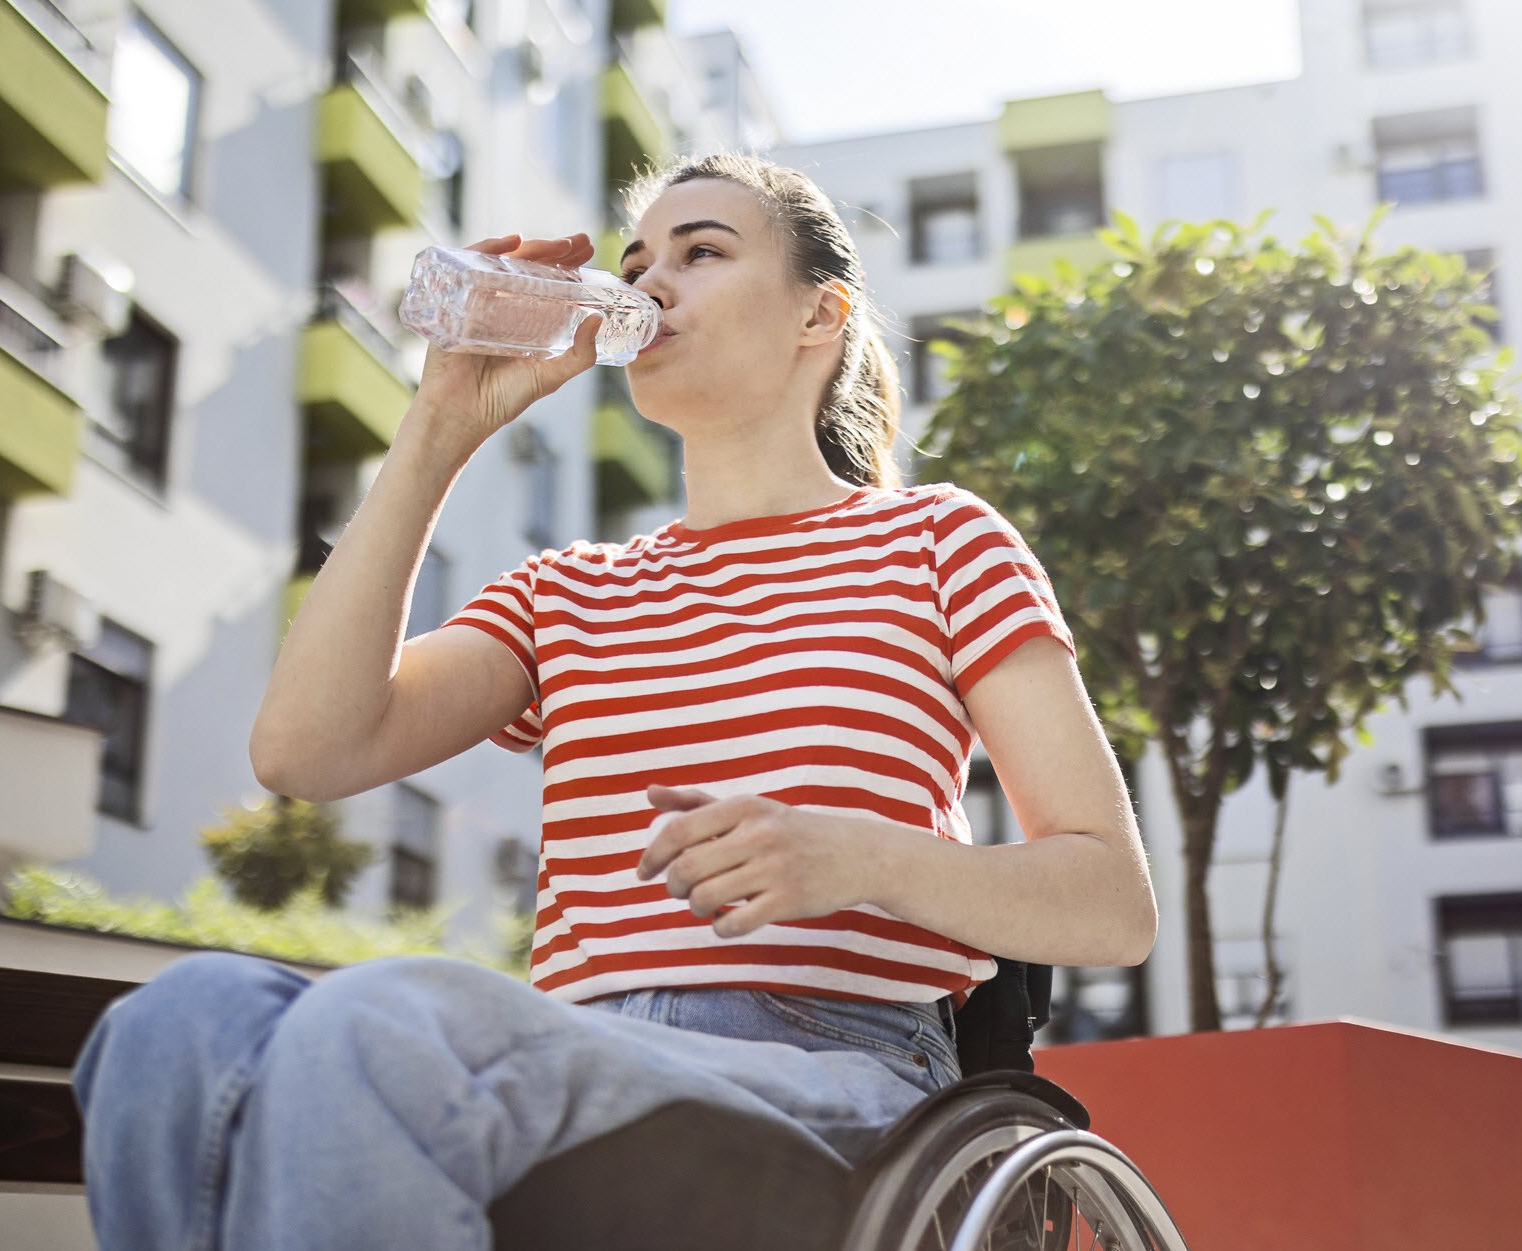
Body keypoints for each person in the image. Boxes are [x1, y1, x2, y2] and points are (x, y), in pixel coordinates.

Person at [71, 152, 1157, 1251]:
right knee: (176, 1028)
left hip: (848, 1081)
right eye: (637, 261)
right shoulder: (569, 590)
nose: (650, 283)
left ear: (818, 315)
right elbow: (305, 749)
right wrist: (442, 423)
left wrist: (860, 858)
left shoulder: (935, 543)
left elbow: (1112, 902)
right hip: (565, 1054)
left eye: (703, 253)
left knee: (385, 1025)